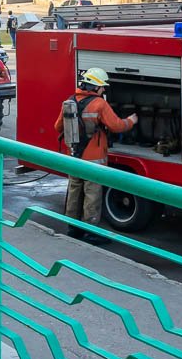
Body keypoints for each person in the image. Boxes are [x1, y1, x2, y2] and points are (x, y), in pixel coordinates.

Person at [53, 68, 137, 245]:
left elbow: (57, 127)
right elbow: (117, 126)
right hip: (94, 159)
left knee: (75, 190)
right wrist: (131, 121)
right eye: (102, 87)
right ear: (95, 87)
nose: (104, 90)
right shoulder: (99, 104)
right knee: (92, 194)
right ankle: (91, 232)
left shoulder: (69, 101)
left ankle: (72, 228)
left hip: (73, 157)